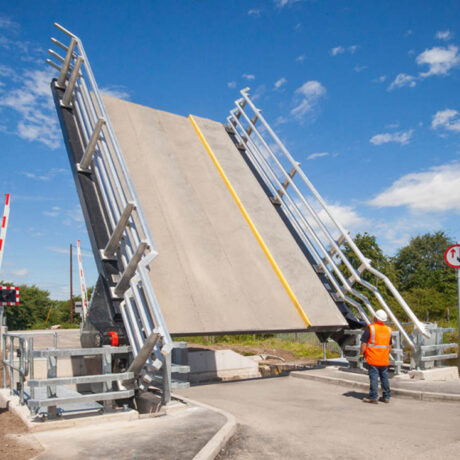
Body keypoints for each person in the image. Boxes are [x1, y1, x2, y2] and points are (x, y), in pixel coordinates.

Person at [360, 309, 392, 404]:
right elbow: (389, 345)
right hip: (384, 358)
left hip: (373, 358)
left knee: (374, 377)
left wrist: (361, 354)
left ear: (375, 318)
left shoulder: (371, 328)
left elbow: (364, 344)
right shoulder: (388, 330)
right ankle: (386, 397)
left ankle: (373, 397)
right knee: (384, 377)